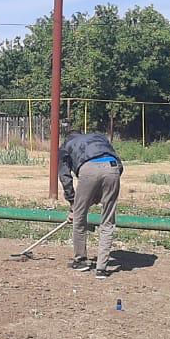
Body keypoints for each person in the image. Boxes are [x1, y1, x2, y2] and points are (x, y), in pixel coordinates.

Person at [57, 120, 122, 279]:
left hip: (88, 169)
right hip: (113, 167)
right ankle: (102, 269)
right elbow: (117, 166)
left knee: (79, 218)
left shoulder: (66, 145)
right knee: (107, 221)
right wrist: (97, 196)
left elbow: (64, 176)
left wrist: (73, 204)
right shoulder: (98, 137)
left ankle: (80, 261)